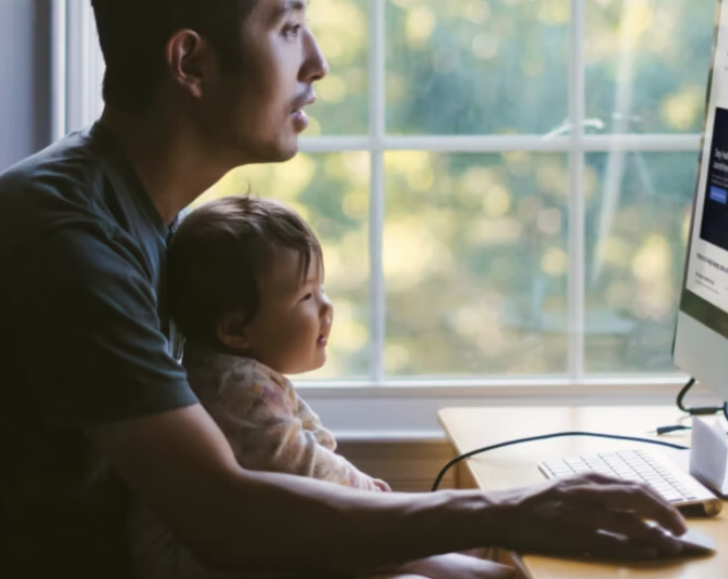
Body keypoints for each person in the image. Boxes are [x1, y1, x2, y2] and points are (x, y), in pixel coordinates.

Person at [0, 0, 688, 579]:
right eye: (288, 26)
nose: (317, 61)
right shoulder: (66, 243)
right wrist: (508, 512)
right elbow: (224, 517)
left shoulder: (137, 218)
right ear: (191, 61)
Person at [131, 195, 513, 579]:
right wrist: (380, 500)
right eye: (306, 296)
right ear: (235, 329)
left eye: (323, 289)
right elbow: (304, 468)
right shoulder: (237, 388)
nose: (327, 308)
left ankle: (426, 555)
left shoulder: (233, 374)